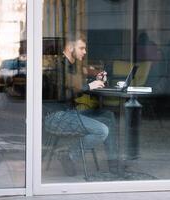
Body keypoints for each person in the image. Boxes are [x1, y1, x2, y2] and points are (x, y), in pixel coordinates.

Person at [47, 33, 118, 176]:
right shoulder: (58, 67)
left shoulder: (71, 66)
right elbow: (65, 93)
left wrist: (94, 79)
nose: (85, 52)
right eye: (82, 48)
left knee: (108, 116)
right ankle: (69, 156)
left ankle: (114, 163)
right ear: (70, 47)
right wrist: (89, 86)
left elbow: (75, 85)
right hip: (57, 117)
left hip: (70, 114)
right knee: (102, 130)